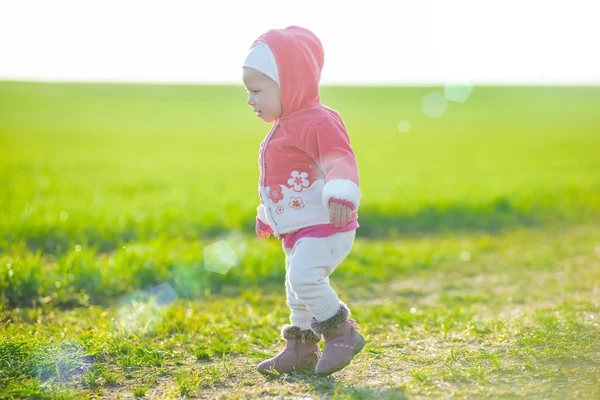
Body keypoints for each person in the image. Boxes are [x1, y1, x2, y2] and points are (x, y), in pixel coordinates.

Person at [242, 26, 365, 377]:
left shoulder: (318, 120)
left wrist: (342, 193)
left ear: (290, 83)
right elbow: (280, 183)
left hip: (328, 222)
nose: (250, 100)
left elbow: (339, 159)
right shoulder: (282, 128)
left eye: (256, 90)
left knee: (304, 277)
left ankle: (341, 333)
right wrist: (269, 215)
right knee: (295, 289)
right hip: (299, 227)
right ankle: (301, 349)